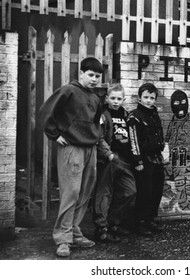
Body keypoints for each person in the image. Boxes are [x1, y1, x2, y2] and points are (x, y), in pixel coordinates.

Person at [39, 57, 104, 257]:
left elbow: (96, 122)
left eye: (98, 76)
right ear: (81, 73)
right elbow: (45, 112)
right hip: (72, 148)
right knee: (71, 193)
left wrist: (96, 139)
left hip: (90, 149)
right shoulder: (69, 90)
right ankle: (63, 239)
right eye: (91, 75)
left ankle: (74, 232)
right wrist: (54, 134)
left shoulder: (95, 97)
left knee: (84, 193)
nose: (94, 79)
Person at [93, 83, 136, 243]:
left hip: (125, 160)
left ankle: (113, 223)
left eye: (119, 98)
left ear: (123, 99)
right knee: (104, 193)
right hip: (109, 159)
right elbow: (99, 137)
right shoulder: (103, 115)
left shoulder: (127, 115)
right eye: (113, 98)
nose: (116, 101)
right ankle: (101, 229)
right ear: (107, 98)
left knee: (129, 191)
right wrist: (109, 154)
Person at [127, 82, 165, 236]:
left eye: (152, 98)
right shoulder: (134, 116)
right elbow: (133, 140)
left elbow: (160, 136)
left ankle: (150, 220)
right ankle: (140, 223)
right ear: (140, 98)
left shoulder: (155, 115)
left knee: (157, 190)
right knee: (145, 192)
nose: (149, 100)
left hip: (157, 159)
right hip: (144, 160)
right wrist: (138, 161)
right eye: (146, 97)